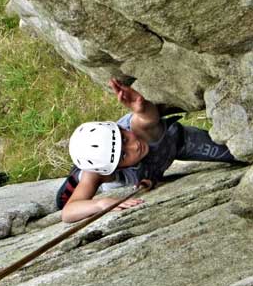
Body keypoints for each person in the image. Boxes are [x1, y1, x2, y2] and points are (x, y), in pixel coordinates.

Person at [58, 78, 237, 223]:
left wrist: (142, 107)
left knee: (235, 151)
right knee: (96, 184)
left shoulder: (136, 128)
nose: (134, 146)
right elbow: (68, 212)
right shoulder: (98, 173)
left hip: (177, 143)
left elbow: (147, 119)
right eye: (123, 154)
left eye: (125, 138)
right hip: (135, 175)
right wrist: (100, 204)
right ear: (112, 168)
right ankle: (75, 178)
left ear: (119, 129)